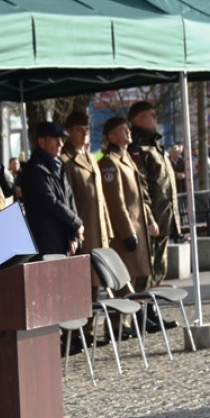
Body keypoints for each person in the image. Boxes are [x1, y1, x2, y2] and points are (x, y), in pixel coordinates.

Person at [127, 101, 179, 299]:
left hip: (163, 215)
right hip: (151, 219)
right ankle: (142, 312)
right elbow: (141, 188)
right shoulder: (138, 147)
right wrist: (149, 218)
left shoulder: (155, 144)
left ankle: (152, 310)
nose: (156, 118)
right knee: (145, 270)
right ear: (137, 120)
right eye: (151, 115)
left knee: (159, 267)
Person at [99, 117, 155, 287]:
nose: (129, 132)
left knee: (139, 280)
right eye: (124, 130)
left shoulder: (127, 158)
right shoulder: (110, 162)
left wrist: (150, 219)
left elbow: (138, 195)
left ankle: (144, 312)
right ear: (112, 137)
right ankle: (127, 314)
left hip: (138, 227)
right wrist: (127, 233)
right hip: (125, 233)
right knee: (125, 285)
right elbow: (116, 202)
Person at [16, 120, 83, 256]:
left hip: (63, 239)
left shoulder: (58, 166)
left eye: (62, 140)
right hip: (46, 240)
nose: (60, 144)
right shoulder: (34, 169)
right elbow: (50, 201)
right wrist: (75, 222)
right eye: (55, 140)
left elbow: (69, 199)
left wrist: (72, 235)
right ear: (41, 142)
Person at [61, 110, 113, 282]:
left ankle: (97, 309)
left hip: (98, 227)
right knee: (86, 279)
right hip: (83, 226)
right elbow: (66, 199)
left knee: (100, 276)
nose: (84, 134)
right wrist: (72, 231)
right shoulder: (65, 159)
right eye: (79, 130)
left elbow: (101, 197)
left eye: (87, 129)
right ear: (68, 131)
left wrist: (108, 227)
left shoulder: (91, 157)